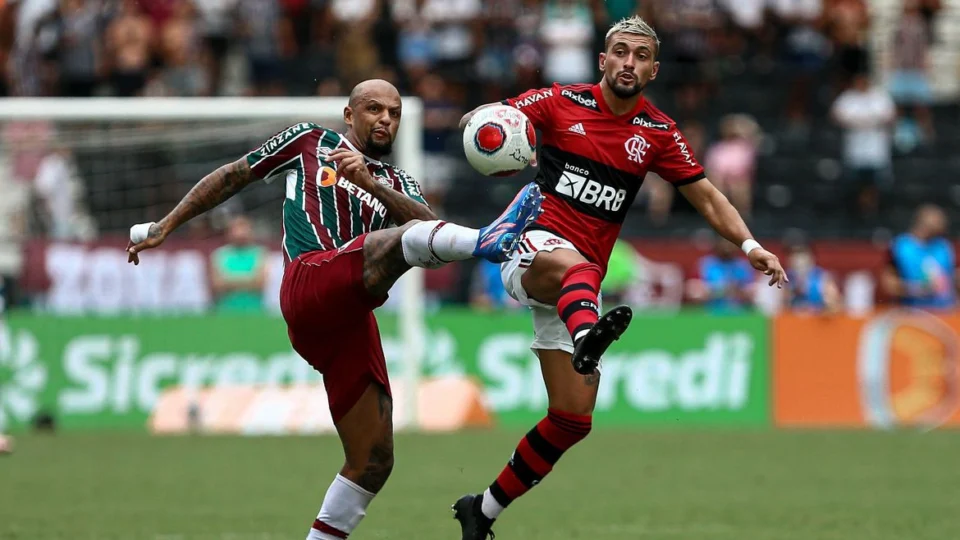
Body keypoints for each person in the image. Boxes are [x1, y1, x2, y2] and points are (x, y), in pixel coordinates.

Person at [125, 79, 544, 540]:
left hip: (348, 318)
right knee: (388, 243)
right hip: (308, 283)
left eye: (394, 112)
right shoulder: (311, 141)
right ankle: (487, 238)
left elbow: (431, 230)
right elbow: (232, 175)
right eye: (373, 109)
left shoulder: (399, 182)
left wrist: (368, 183)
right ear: (349, 115)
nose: (385, 118)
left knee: (374, 460)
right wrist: (166, 225)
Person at [452, 16, 787, 539]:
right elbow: (498, 120)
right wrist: (481, 119)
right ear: (603, 59)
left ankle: (484, 510)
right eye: (621, 51)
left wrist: (750, 245)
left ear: (653, 69)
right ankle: (590, 335)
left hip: (575, 288)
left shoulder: (657, 132)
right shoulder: (559, 102)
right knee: (577, 266)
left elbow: (707, 197)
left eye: (641, 55)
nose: (629, 62)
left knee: (572, 419)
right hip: (531, 251)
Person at [882, 204, 957, 310]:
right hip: (914, 313)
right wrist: (917, 289)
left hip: (946, 311)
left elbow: (953, 278)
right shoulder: (901, 246)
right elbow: (889, 284)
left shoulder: (943, 246)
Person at [209, 215, 267, 313]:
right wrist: (249, 280)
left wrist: (228, 281)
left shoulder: (260, 253)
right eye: (236, 229)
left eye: (243, 229)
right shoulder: (219, 254)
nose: (240, 233)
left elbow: (259, 284)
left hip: (254, 311)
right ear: (229, 232)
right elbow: (217, 285)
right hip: (225, 311)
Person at [785, 243, 842, 313]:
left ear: (811, 257)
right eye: (794, 255)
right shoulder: (784, 278)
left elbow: (835, 307)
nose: (798, 260)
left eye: (802, 255)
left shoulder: (823, 277)